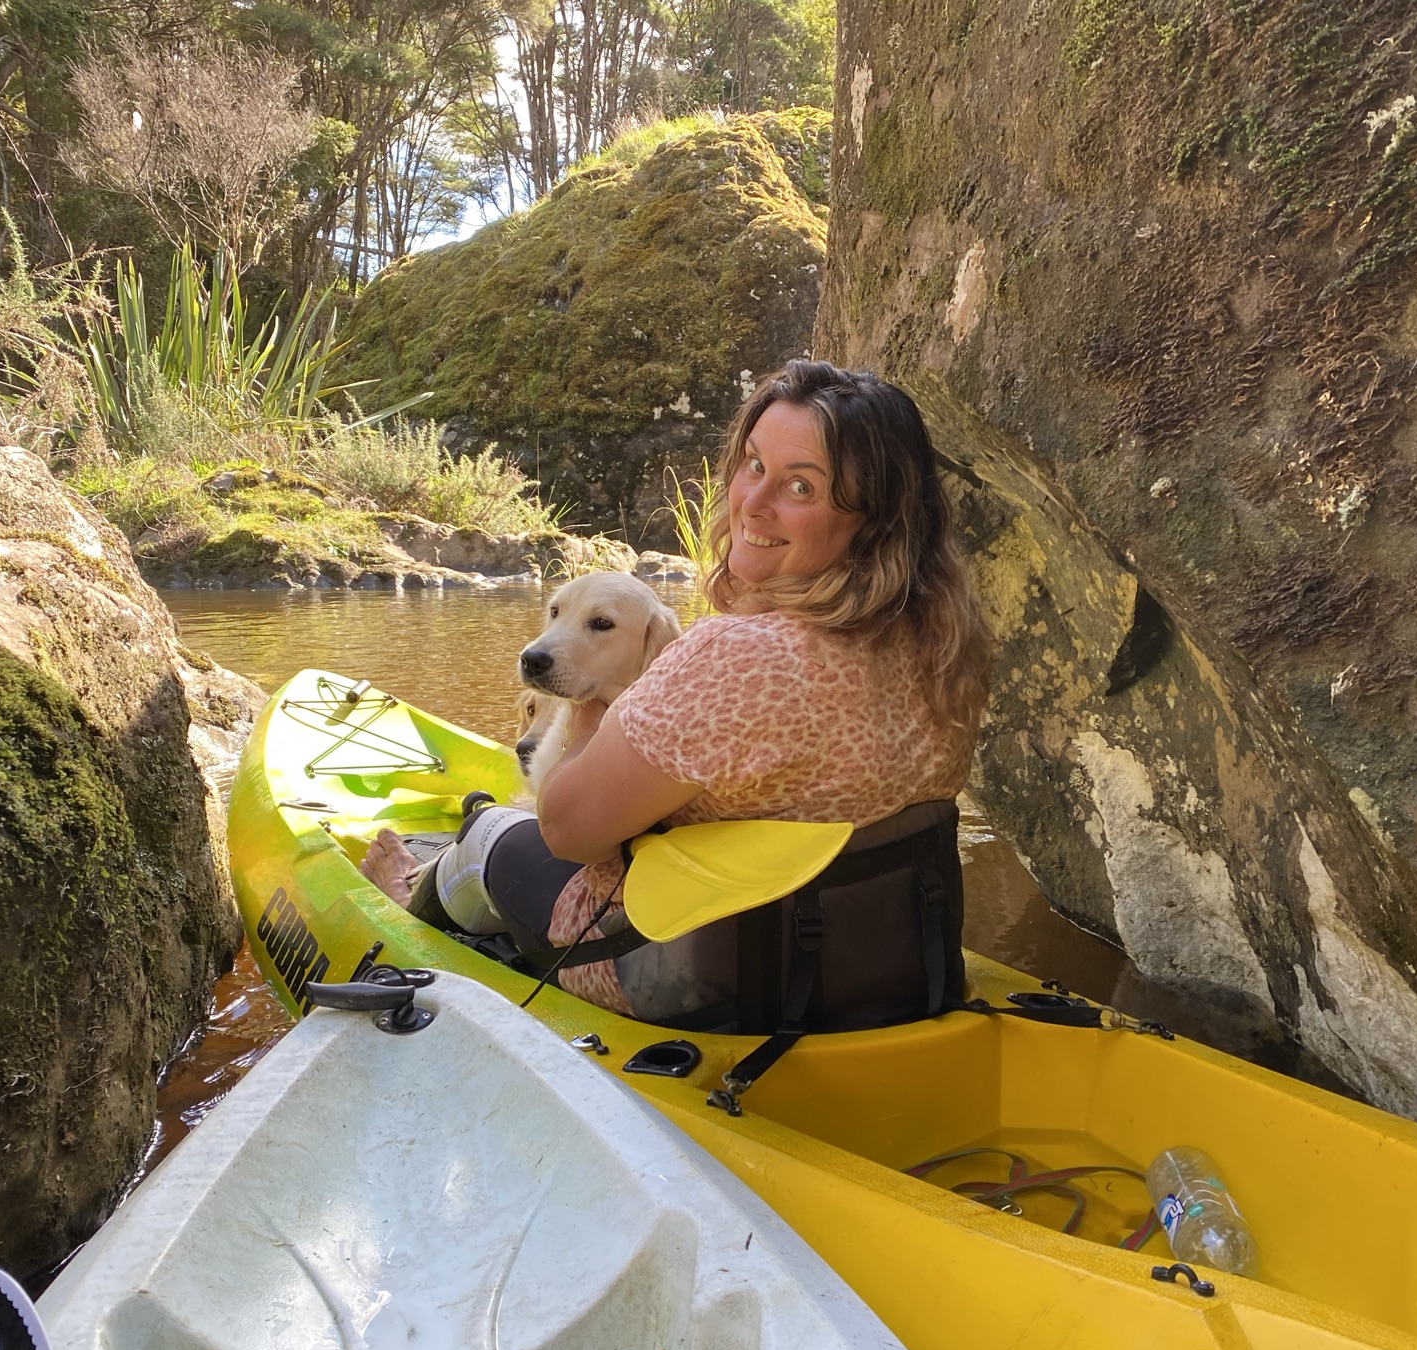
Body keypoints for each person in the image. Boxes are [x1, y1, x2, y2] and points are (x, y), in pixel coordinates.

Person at [361, 357, 992, 1025]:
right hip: (890, 967)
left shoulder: (733, 659)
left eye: (800, 487)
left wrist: (592, 704)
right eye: (753, 465)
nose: (752, 501)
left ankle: (412, 892)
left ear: (873, 520)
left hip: (696, 981)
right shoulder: (945, 647)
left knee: (491, 831)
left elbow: (566, 831)